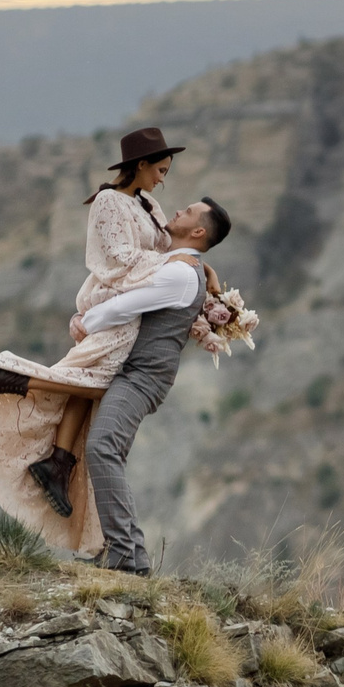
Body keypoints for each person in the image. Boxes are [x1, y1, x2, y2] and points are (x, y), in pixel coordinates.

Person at [0, 126, 183, 556]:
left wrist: (191, 267)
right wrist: (177, 262)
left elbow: (169, 249)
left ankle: (58, 463)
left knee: (88, 385)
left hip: (133, 310)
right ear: (140, 165)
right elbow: (119, 261)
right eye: (160, 170)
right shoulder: (110, 203)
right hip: (116, 305)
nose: (163, 179)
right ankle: (16, 376)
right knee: (104, 382)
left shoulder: (149, 205)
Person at [69, 195, 233, 574]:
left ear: (197, 231)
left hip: (143, 376)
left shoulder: (179, 273)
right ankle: (126, 553)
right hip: (134, 371)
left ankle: (126, 554)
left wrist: (85, 322)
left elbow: (129, 304)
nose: (178, 210)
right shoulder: (185, 266)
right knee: (105, 449)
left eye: (188, 212)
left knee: (102, 446)